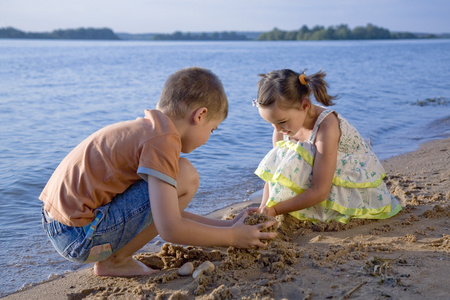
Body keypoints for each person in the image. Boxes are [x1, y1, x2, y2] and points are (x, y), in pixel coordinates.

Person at [40, 67, 277, 277]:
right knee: (185, 175)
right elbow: (170, 227)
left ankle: (115, 258)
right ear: (200, 115)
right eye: (212, 130)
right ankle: (116, 261)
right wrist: (234, 238)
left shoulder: (149, 130)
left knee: (176, 180)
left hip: (64, 227)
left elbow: (163, 212)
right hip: (81, 237)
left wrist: (226, 226)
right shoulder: (164, 140)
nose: (207, 140)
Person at [253, 69, 402, 223]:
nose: (277, 130)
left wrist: (276, 209)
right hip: (319, 178)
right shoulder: (282, 129)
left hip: (348, 182)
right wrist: (265, 207)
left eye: (282, 121)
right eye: (271, 123)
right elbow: (273, 174)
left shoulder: (327, 126)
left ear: (305, 106)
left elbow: (320, 190)